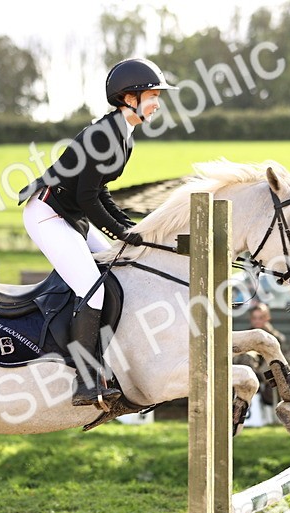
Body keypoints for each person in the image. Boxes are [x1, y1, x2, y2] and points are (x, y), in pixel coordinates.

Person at [19, 58, 175, 408]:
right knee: (94, 289)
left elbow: (101, 191)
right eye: (152, 95)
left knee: (116, 271)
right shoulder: (102, 135)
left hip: (72, 215)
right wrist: (119, 229)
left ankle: (108, 360)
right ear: (128, 97)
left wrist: (129, 228)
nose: (157, 102)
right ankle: (85, 379)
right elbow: (87, 197)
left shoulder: (125, 137)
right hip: (47, 212)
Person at [234, 303, 285, 421]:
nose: (257, 321)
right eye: (254, 318)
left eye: (260, 318)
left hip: (267, 375)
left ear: (267, 318)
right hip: (246, 371)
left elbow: (278, 361)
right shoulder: (244, 336)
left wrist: (259, 373)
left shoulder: (276, 338)